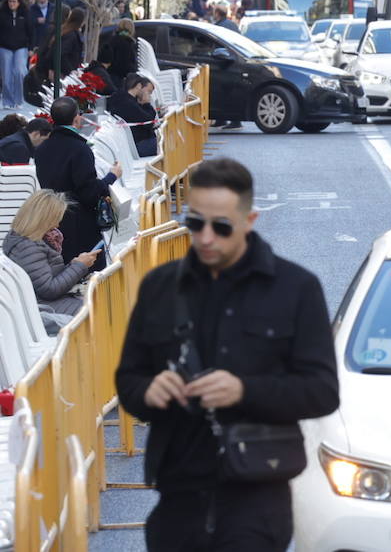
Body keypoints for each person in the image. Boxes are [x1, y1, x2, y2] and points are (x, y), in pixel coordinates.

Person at [115, 158, 338, 552]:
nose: (205, 238)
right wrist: (149, 392)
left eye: (221, 227)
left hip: (256, 496)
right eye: (195, 223)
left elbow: (321, 391)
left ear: (249, 220)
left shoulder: (295, 288)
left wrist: (244, 391)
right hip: (178, 496)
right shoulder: (160, 287)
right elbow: (128, 379)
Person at [34, 97, 121, 270]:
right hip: (79, 222)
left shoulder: (42, 149)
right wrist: (112, 177)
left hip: (52, 218)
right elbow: (89, 192)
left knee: (63, 270)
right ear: (77, 118)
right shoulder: (80, 149)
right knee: (89, 272)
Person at [1, 189, 99, 317]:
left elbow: (45, 280)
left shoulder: (23, 240)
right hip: (45, 308)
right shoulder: (29, 247)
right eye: (55, 219)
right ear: (43, 219)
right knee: (101, 308)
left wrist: (74, 264)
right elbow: (49, 290)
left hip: (42, 303)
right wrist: (80, 266)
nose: (58, 224)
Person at [108, 73, 159, 157]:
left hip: (134, 143)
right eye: (148, 92)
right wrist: (146, 104)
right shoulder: (128, 103)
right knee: (170, 141)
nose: (148, 95)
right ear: (139, 86)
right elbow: (149, 122)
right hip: (138, 145)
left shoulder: (122, 99)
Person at [0, 0, 33, 109]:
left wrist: (31, 48)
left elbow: (31, 32)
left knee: (20, 72)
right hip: (5, 48)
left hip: (21, 47)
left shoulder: (25, 14)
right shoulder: (2, 14)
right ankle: (8, 101)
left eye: (14, 1)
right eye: (10, 1)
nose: (12, 4)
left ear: (19, 3)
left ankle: (19, 100)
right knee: (6, 75)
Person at [40, 6, 87, 82]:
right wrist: (70, 70)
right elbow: (61, 54)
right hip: (62, 73)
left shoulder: (66, 31)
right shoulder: (71, 35)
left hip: (59, 71)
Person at [105, 18, 138, 85]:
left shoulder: (112, 40)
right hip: (120, 78)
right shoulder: (128, 43)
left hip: (110, 75)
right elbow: (126, 64)